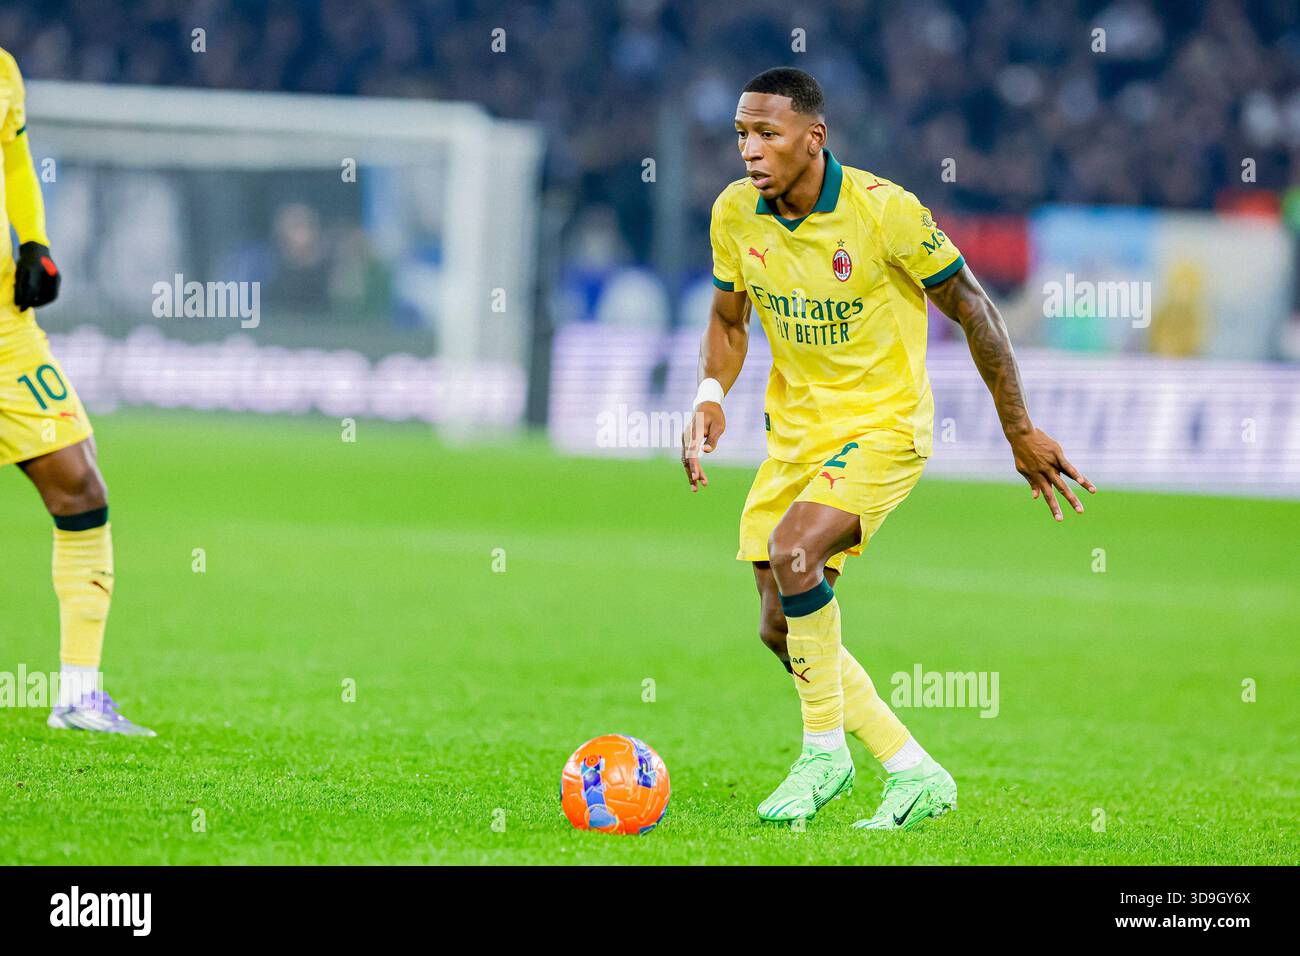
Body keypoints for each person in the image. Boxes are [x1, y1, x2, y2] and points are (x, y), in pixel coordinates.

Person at [681, 68, 1093, 829]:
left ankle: (822, 754)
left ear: (814, 138)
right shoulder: (736, 214)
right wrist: (711, 396)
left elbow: (974, 306)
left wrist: (1018, 429)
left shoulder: (884, 211)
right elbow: (729, 320)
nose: (749, 150)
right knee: (780, 626)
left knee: (796, 550)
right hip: (794, 437)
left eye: (766, 134)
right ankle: (913, 770)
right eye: (741, 133)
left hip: (883, 426)